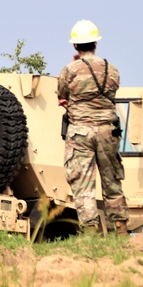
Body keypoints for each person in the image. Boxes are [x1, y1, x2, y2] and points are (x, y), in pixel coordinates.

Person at [57, 20, 130, 236]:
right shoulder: (112, 69)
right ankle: (120, 229)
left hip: (80, 132)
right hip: (108, 131)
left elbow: (62, 96)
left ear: (75, 46)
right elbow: (111, 93)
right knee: (112, 182)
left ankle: (91, 232)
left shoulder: (69, 70)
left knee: (83, 185)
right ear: (96, 43)